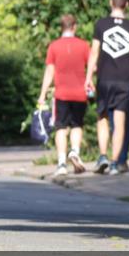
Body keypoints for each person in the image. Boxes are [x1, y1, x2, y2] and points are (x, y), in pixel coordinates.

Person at [85, 0, 129, 175]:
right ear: (126, 5)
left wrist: (88, 77)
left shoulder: (101, 25)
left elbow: (94, 51)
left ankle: (102, 155)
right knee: (119, 122)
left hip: (105, 79)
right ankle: (114, 163)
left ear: (111, 3)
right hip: (124, 80)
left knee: (102, 117)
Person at [37, 14, 91, 177]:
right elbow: (91, 67)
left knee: (61, 127)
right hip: (80, 93)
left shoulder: (54, 46)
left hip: (61, 93)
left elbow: (49, 71)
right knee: (77, 125)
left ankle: (61, 163)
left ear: (62, 27)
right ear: (74, 27)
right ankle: (74, 151)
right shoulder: (84, 45)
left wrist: (43, 93)